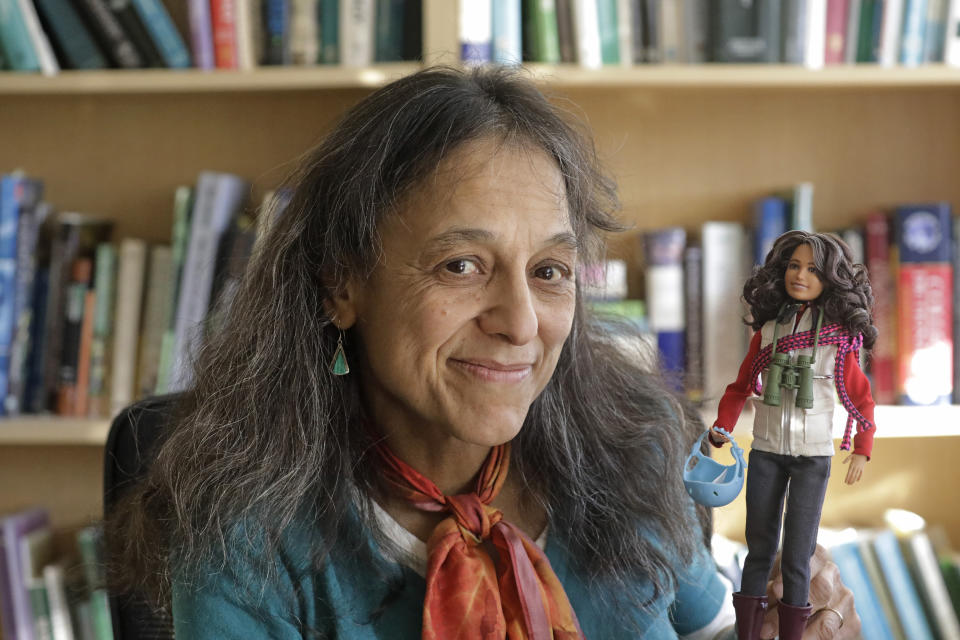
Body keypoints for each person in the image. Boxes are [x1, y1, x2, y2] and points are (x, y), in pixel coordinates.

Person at [108, 67, 859, 639]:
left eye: (549, 272)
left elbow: (705, 627)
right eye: (461, 265)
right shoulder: (244, 530)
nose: (520, 323)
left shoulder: (636, 448)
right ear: (341, 283)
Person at [709, 230, 877, 640]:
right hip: (767, 449)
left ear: (831, 279)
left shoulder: (839, 341)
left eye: (813, 269)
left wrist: (862, 449)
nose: (800, 275)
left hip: (812, 455)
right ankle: (746, 634)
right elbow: (741, 386)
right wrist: (722, 425)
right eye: (794, 266)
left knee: (798, 556)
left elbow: (861, 397)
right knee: (759, 548)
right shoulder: (768, 332)